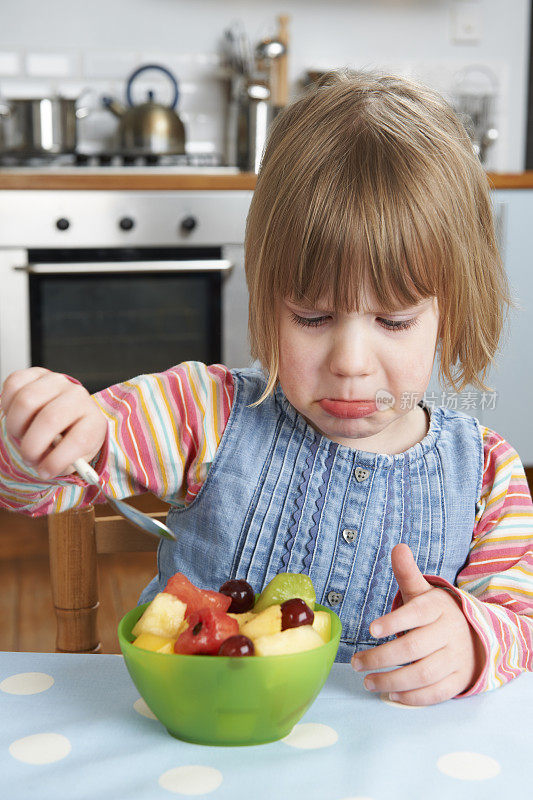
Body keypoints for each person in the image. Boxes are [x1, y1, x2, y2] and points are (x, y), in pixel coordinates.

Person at [1, 70, 532, 706]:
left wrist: (472, 642)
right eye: (312, 316)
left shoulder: (487, 473)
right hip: (201, 745)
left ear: (451, 309)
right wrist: (41, 438)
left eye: (393, 320)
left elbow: (519, 627)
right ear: (265, 298)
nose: (351, 363)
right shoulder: (204, 413)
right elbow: (41, 487)